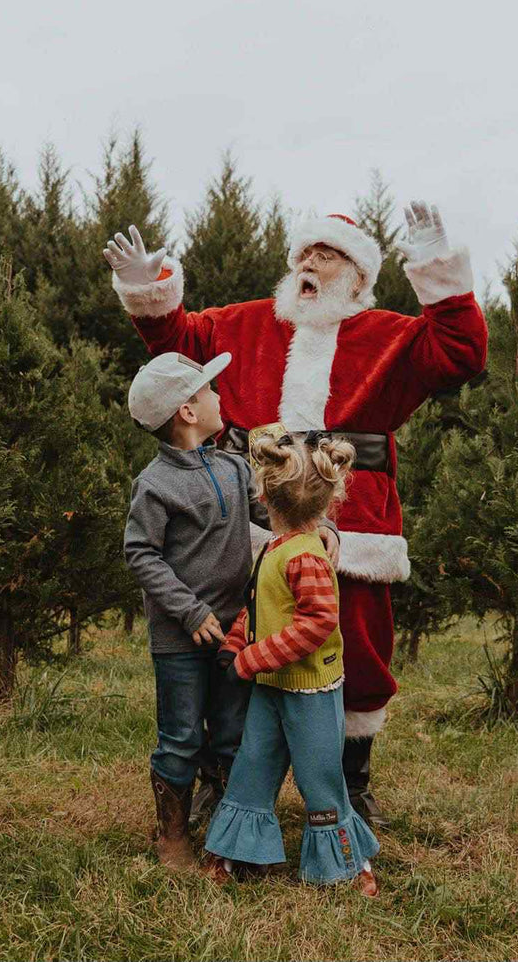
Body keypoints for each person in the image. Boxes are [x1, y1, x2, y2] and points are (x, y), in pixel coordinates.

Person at [105, 203, 488, 824]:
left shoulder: (390, 336)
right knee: (237, 650)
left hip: (355, 524)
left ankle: (350, 786)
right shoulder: (245, 324)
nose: (309, 263)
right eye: (304, 254)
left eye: (327, 255)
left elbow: (463, 352)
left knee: (359, 649)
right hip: (248, 520)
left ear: (358, 277)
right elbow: (176, 347)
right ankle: (220, 779)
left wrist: (438, 272)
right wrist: (149, 290)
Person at [122, 352, 338, 869]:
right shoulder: (155, 485)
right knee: (179, 736)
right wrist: (189, 612)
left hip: (239, 631)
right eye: (209, 390)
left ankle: (231, 830)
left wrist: (321, 529)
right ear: (188, 413)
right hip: (182, 637)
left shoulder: (235, 466)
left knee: (232, 732)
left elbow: (278, 512)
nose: (221, 396)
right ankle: (172, 835)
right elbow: (140, 552)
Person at [203, 424, 379, 895]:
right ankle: (237, 852)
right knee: (252, 765)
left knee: (319, 776)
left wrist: (251, 658)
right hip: (271, 687)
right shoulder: (276, 551)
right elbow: (261, 606)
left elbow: (316, 623)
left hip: (310, 693)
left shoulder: (307, 557)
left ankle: (349, 862)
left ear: (262, 495)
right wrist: (236, 644)